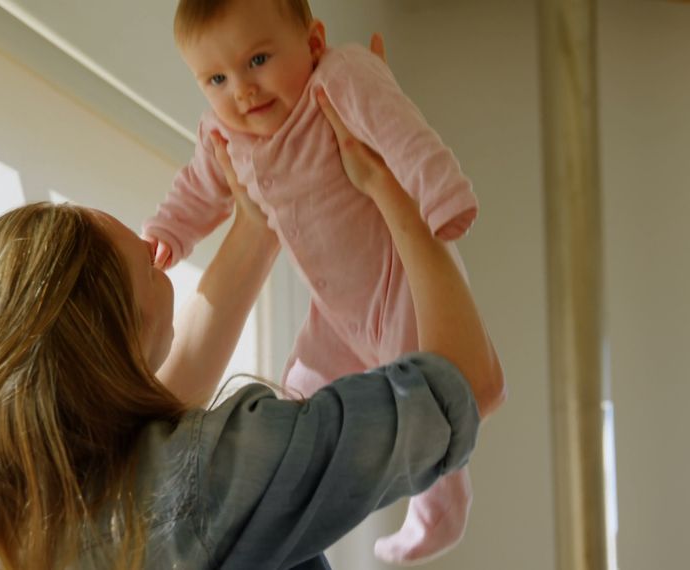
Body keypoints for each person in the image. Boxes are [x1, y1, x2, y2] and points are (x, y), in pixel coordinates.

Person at [0, 90, 505, 570]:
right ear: (120, 337)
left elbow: (156, 429)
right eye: (138, 256)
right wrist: (394, 190)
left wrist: (260, 217)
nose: (150, 244)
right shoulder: (216, 473)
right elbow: (465, 386)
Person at [142, 0, 502, 563]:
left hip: (395, 280)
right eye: (216, 78)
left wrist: (443, 199)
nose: (243, 90)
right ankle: (299, 513)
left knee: (426, 391)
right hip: (333, 309)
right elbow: (198, 188)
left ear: (312, 43)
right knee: (299, 396)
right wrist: (169, 231)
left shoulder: (337, 80)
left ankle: (441, 509)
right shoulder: (222, 133)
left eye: (258, 58)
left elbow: (406, 135)